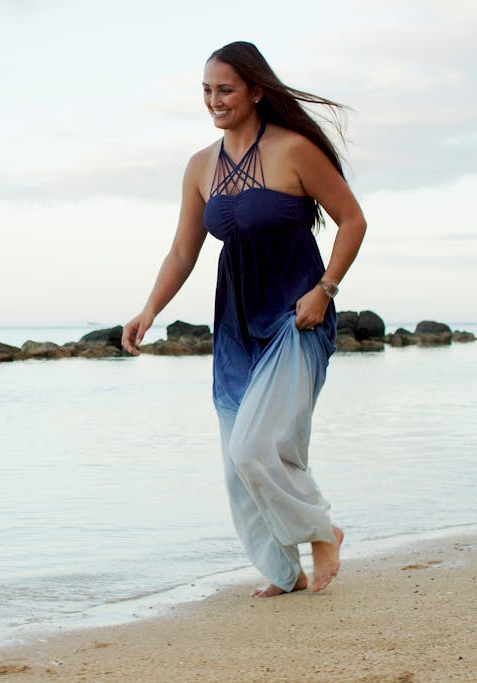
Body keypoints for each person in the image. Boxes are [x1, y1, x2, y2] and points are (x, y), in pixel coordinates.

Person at [122, 41, 366, 598]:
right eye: (207, 90)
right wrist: (149, 310)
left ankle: (322, 531)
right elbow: (184, 251)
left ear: (256, 90)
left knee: (258, 447)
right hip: (234, 325)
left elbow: (352, 220)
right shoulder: (200, 166)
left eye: (225, 89)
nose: (214, 100)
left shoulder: (295, 150)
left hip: (294, 316)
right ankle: (284, 572)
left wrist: (325, 291)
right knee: (238, 463)